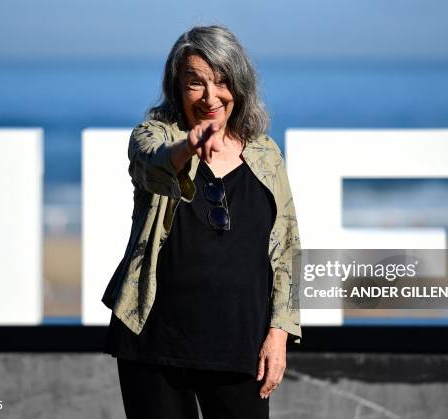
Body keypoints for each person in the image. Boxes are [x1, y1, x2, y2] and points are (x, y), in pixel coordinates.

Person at [101, 25, 302, 419]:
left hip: (240, 348)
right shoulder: (154, 136)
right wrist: (189, 145)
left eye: (222, 81)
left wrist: (279, 334)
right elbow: (152, 165)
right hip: (155, 343)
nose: (211, 97)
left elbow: (288, 249)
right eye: (196, 83)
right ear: (177, 86)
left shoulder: (266, 154)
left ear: (240, 85)